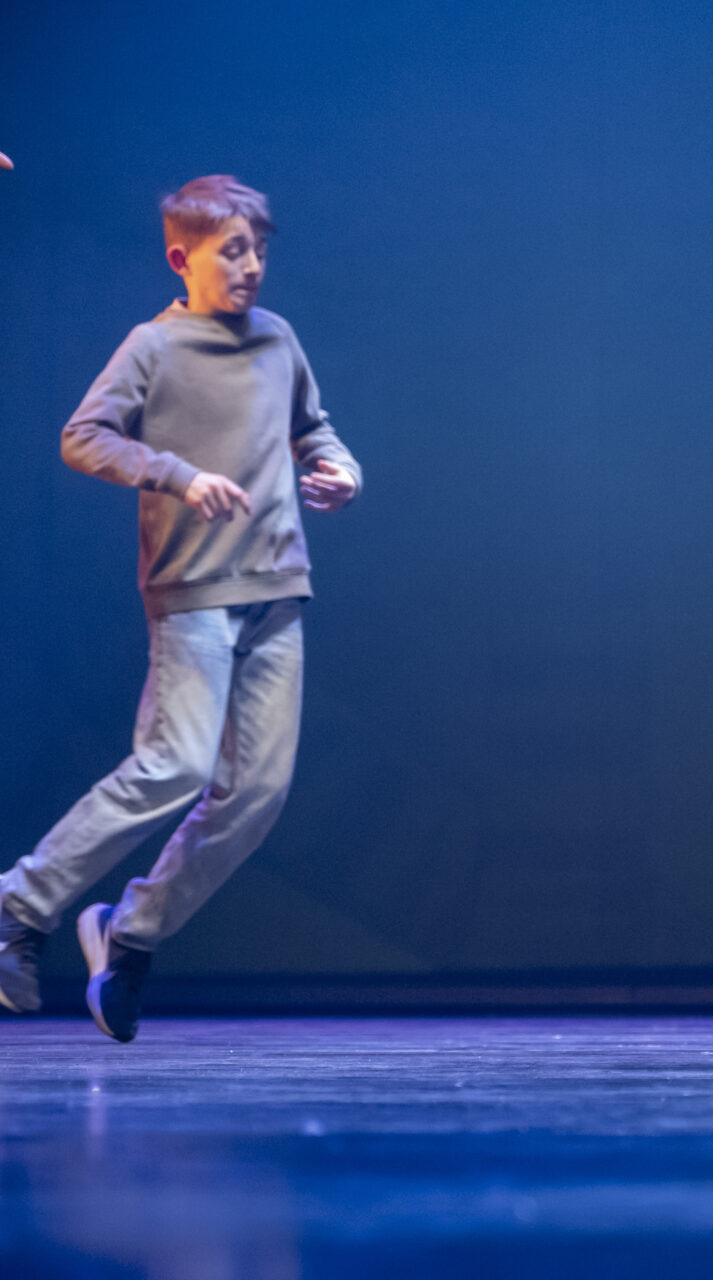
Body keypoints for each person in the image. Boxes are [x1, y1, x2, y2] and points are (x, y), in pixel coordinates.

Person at [0, 176, 362, 1042]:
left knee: (257, 794)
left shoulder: (278, 338)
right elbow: (83, 437)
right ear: (181, 257)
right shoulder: (153, 347)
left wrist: (342, 469)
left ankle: (129, 937)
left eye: (259, 250)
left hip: (276, 589)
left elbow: (312, 428)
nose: (251, 266)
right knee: (175, 764)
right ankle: (19, 907)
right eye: (232, 251)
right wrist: (176, 474)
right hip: (193, 591)